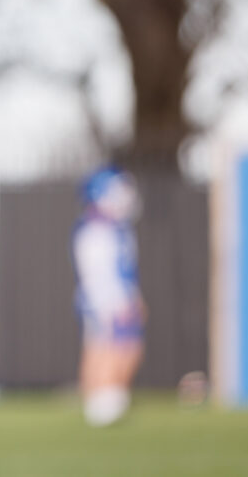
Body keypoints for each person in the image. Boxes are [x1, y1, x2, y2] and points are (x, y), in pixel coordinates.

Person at [71, 166, 146, 427]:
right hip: (106, 301)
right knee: (108, 347)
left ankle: (105, 404)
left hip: (113, 299)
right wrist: (115, 302)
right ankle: (101, 406)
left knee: (112, 346)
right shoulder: (96, 232)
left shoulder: (115, 230)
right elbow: (99, 274)